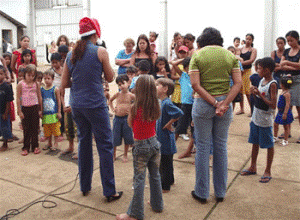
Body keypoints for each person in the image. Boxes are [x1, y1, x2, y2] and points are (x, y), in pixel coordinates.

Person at [61, 17, 122, 201]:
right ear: (96, 33)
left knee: (84, 143)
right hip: (95, 104)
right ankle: (109, 191)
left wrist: (80, 82)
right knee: (105, 145)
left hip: (77, 105)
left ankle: (85, 186)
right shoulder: (100, 51)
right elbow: (111, 78)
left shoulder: (72, 55)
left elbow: (64, 83)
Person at [189, 27, 242, 203]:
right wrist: (224, 104)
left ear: (202, 40)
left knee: (203, 148)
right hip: (225, 106)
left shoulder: (197, 55)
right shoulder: (230, 56)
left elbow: (195, 85)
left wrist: (214, 103)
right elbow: (238, 83)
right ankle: (220, 193)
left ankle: (202, 192)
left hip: (204, 104)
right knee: (220, 147)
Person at [116, 75, 163, 220]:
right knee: (155, 175)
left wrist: (130, 112)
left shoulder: (135, 107)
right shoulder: (156, 104)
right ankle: (157, 204)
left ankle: (135, 214)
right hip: (154, 143)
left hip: (141, 146)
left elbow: (130, 125)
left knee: (139, 180)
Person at [241, 57, 278, 183]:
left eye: (260, 68)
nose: (257, 70)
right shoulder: (262, 80)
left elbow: (273, 105)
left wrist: (260, 97)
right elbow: (260, 96)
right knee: (254, 142)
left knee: (269, 145)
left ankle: (268, 170)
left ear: (267, 70)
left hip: (265, 120)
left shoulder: (272, 84)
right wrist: (255, 93)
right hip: (256, 117)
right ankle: (253, 166)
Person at [156, 78, 183, 193]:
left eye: (157, 85)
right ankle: (170, 180)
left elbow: (179, 113)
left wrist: (168, 124)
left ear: (165, 89)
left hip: (165, 138)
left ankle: (165, 186)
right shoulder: (163, 102)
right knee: (167, 162)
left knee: (165, 163)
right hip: (163, 137)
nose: (154, 87)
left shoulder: (166, 102)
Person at [16, 64, 43, 156]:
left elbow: (39, 96)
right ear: (25, 74)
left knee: (35, 128)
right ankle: (26, 147)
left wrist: (40, 109)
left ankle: (35, 146)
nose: (30, 78)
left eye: (33, 76)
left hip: (34, 107)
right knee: (26, 128)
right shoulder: (20, 84)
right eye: (29, 75)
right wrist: (19, 111)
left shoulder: (36, 84)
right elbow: (18, 97)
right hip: (25, 108)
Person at [172, 57, 195, 158]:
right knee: (180, 127)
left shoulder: (197, 77)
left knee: (194, 130)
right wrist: (186, 59)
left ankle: (189, 151)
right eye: (187, 67)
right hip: (185, 105)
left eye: (191, 67)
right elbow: (173, 64)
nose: (189, 69)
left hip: (195, 105)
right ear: (185, 68)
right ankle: (170, 147)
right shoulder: (183, 75)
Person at [109, 75, 135, 162]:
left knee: (127, 137)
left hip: (127, 119)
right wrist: (112, 108)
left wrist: (132, 109)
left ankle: (125, 154)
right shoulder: (117, 94)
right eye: (119, 85)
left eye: (123, 83)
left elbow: (137, 102)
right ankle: (114, 154)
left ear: (128, 83)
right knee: (115, 137)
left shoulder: (131, 95)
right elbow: (110, 100)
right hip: (117, 118)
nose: (121, 86)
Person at [280, 30, 300, 143]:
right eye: (288, 41)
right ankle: (287, 131)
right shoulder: (287, 51)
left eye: (291, 40)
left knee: (298, 107)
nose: (289, 43)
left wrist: (287, 63)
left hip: (298, 81)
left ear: (297, 39)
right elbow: (282, 66)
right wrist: (294, 66)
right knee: (287, 106)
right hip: (287, 80)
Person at [39, 70, 62, 151]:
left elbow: (59, 101)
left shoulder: (55, 89)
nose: (46, 80)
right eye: (45, 79)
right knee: (47, 129)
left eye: (48, 78)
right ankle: (49, 143)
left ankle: (56, 143)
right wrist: (41, 111)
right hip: (46, 113)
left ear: (52, 79)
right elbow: (41, 101)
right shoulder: (42, 89)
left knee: (55, 129)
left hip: (53, 113)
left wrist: (59, 112)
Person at [237, 33, 257, 115]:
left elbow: (251, 60)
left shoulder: (253, 50)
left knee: (248, 91)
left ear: (252, 40)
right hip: (240, 71)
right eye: (246, 39)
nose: (248, 40)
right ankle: (242, 109)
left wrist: (241, 63)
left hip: (247, 71)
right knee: (240, 91)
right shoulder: (240, 49)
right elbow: (237, 57)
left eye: (249, 39)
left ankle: (252, 109)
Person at [274, 75, 294, 146]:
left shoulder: (287, 94)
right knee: (275, 124)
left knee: (286, 126)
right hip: (280, 112)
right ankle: (275, 137)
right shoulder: (283, 92)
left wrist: (285, 113)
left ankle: (285, 140)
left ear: (282, 85)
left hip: (284, 112)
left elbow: (287, 104)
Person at [0, 66, 14, 152]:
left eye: (1, 74)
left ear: (5, 74)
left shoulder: (7, 87)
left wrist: (6, 112)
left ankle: (5, 144)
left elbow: (9, 101)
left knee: (5, 127)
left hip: (3, 111)